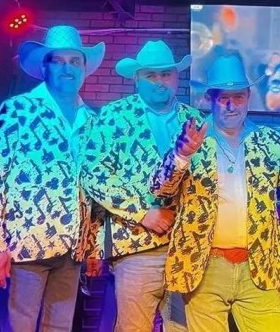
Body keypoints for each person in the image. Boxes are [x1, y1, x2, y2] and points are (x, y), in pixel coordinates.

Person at [149, 54, 280, 331]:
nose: (231, 105)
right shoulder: (190, 139)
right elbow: (159, 189)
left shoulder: (268, 140)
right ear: (209, 99)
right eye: (223, 97)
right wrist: (182, 155)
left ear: (248, 97)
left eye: (238, 97)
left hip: (258, 266)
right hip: (205, 266)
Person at [0, 25, 105, 331]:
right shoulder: (17, 110)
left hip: (71, 250)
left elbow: (93, 189)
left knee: (60, 328)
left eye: (74, 61)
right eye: (58, 60)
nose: (67, 68)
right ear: (44, 67)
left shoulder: (92, 120)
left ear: (84, 68)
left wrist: (93, 246)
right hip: (21, 249)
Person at [82, 40, 199, 332]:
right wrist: (143, 212)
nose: (160, 81)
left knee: (182, 328)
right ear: (136, 79)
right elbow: (93, 173)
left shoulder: (193, 119)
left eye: (166, 74)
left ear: (177, 77)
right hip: (136, 245)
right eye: (151, 75)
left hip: (186, 248)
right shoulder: (114, 115)